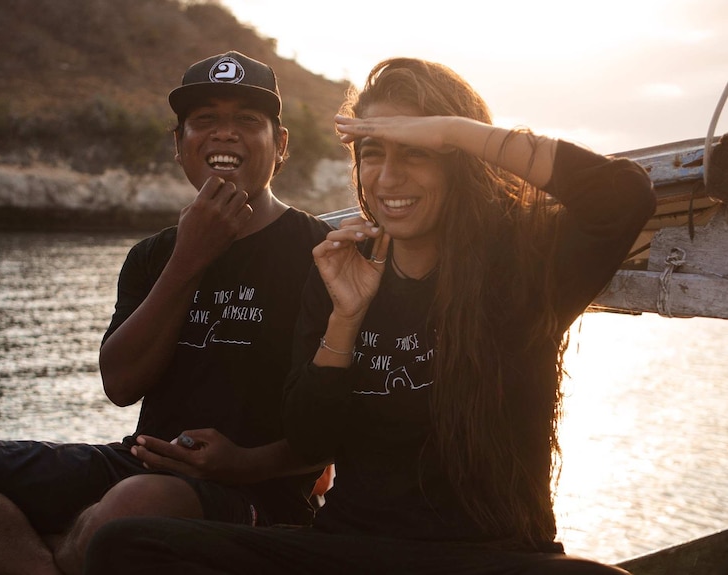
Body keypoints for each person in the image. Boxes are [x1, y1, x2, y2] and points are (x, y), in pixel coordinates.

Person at [81, 58, 656, 575]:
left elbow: (623, 195)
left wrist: (455, 129)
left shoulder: (527, 267)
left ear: (460, 160)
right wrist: (344, 320)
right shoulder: (339, 271)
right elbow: (310, 437)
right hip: (348, 550)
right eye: (372, 152)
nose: (386, 177)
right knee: (127, 545)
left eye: (416, 151)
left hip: (492, 558)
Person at [0, 50, 331, 575]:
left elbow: (345, 422)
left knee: (127, 510)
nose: (224, 134)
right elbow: (121, 384)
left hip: (258, 491)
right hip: (139, 462)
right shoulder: (153, 255)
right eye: (205, 121)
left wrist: (242, 463)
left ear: (280, 145)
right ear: (178, 144)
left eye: (246, 120)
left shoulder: (322, 254)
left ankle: (35, 555)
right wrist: (189, 258)